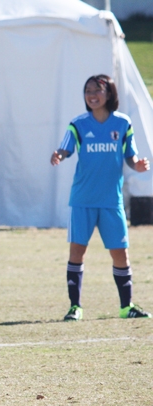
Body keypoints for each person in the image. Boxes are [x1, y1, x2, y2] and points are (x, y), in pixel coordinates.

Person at [50, 74, 151, 322]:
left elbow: (130, 155)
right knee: (77, 252)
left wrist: (136, 164)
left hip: (111, 201)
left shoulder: (123, 124)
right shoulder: (78, 124)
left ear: (110, 94)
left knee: (120, 255)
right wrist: (59, 155)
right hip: (82, 200)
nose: (92, 95)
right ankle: (75, 307)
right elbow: (65, 148)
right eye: (87, 91)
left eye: (97, 90)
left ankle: (126, 307)